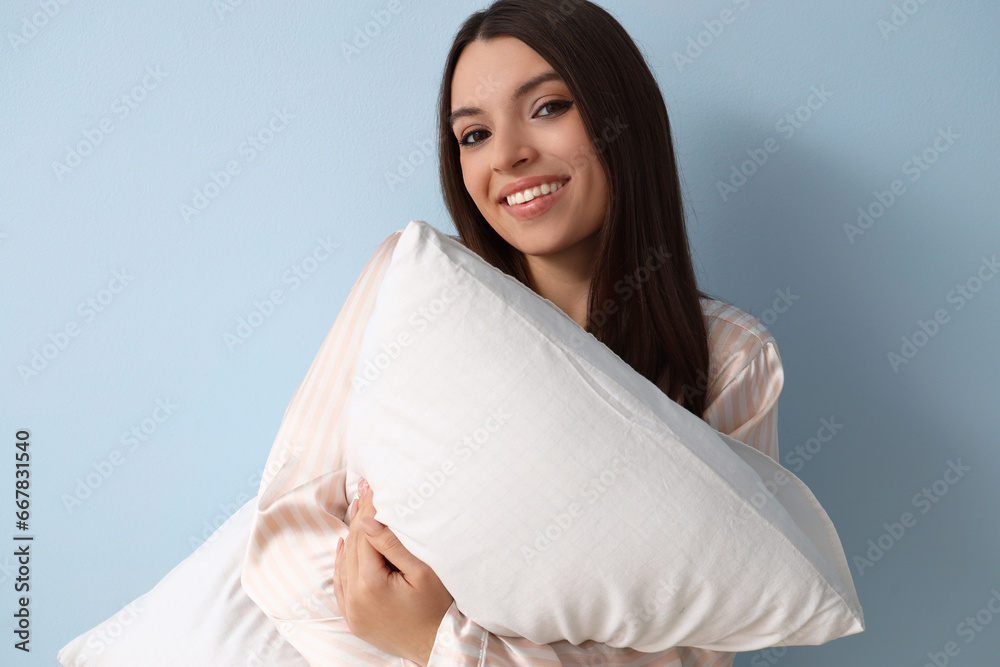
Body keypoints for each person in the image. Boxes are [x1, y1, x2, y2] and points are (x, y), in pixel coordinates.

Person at [241, 1, 784, 665]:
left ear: (622, 116)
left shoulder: (730, 358)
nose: (509, 155)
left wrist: (440, 643)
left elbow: (695, 647)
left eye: (548, 107)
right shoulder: (408, 288)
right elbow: (284, 541)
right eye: (473, 135)